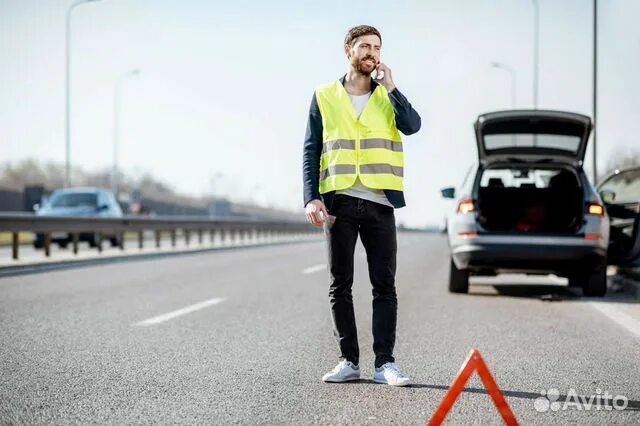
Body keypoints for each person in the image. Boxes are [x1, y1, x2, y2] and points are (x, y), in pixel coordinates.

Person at [302, 25, 421, 386]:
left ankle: (385, 363)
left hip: (379, 202)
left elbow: (413, 126)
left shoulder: (388, 96)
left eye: (377, 47)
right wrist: (311, 195)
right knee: (340, 285)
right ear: (348, 50)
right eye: (365, 46)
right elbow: (311, 149)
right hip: (338, 202)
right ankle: (348, 361)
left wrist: (393, 87)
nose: (372, 52)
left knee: (384, 286)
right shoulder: (324, 96)